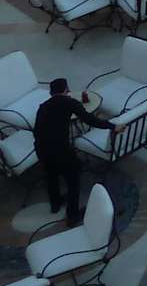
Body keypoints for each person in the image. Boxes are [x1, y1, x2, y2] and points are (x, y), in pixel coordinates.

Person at [33, 77, 109, 225]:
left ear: (50, 93)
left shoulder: (43, 107)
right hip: (60, 150)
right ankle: (72, 215)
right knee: (73, 178)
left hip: (41, 149)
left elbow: (37, 130)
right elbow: (90, 120)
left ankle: (55, 203)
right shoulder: (70, 102)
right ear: (67, 90)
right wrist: (111, 125)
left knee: (51, 175)